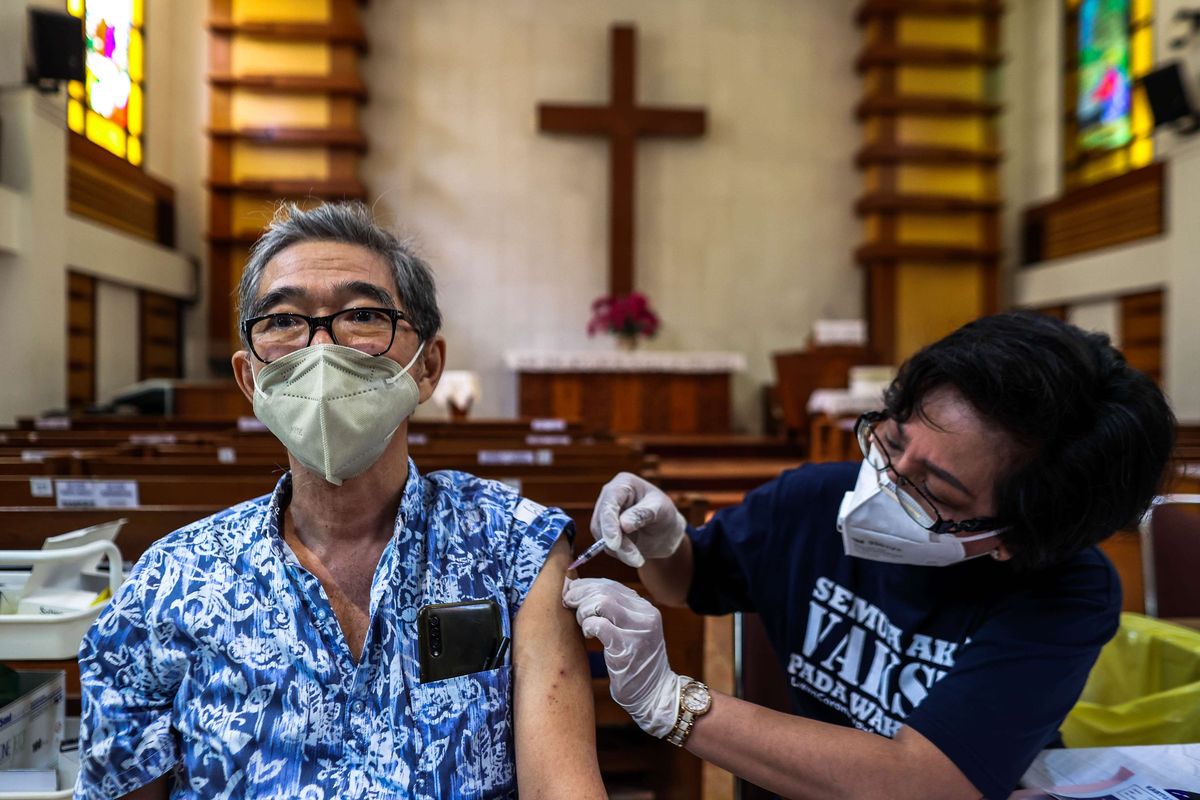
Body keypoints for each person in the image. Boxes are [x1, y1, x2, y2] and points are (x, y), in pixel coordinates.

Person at [75, 202, 606, 799]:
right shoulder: (170, 581)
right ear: (251, 379)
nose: (321, 349)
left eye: (361, 314)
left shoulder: (514, 548)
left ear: (427, 366)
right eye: (283, 321)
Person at [564, 312, 1176, 800]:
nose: (883, 483)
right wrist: (668, 543)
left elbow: (926, 781)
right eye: (891, 438)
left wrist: (672, 704)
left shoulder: (1066, 592)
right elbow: (691, 582)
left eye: (933, 488)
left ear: (1014, 537)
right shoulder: (812, 500)